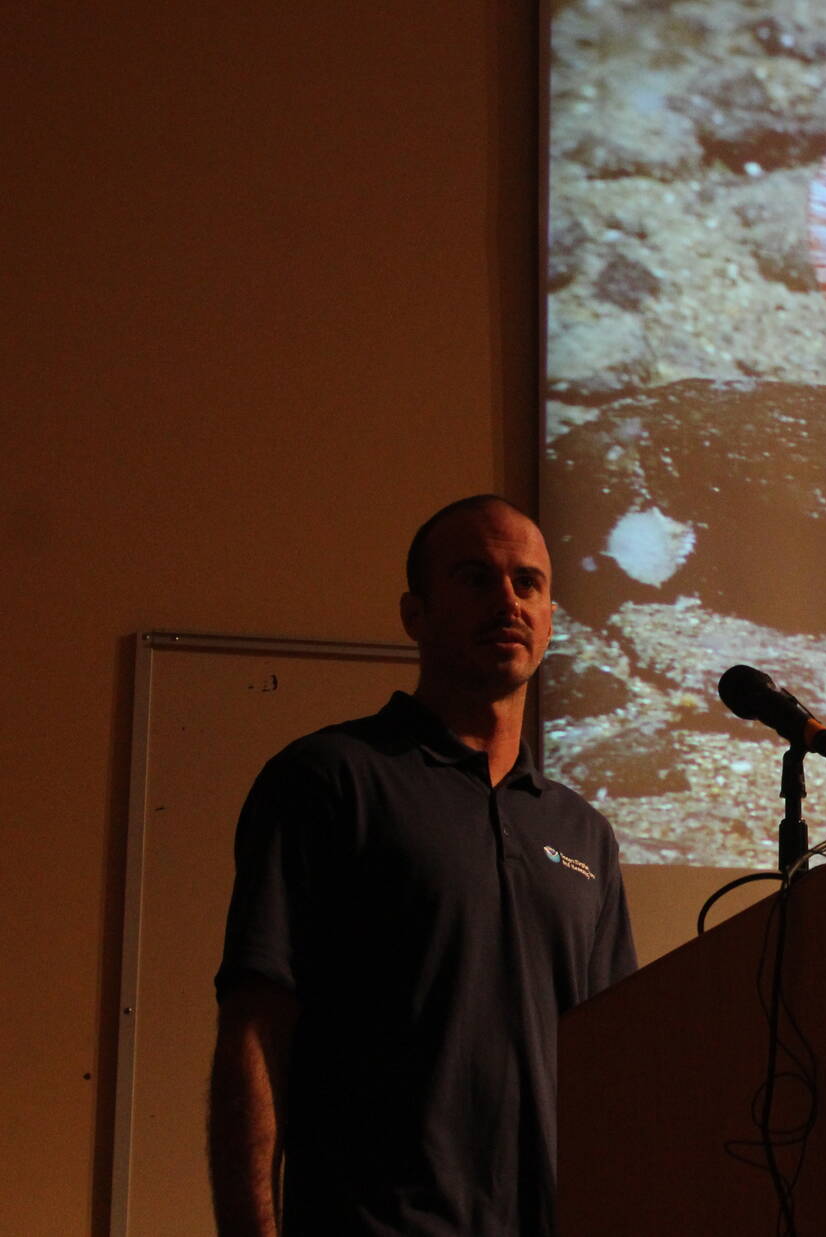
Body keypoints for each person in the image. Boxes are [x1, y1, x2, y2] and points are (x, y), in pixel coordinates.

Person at [209, 495, 637, 1237]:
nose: (508, 599)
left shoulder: (584, 832)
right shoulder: (331, 779)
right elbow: (256, 1027)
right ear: (415, 613)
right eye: (476, 578)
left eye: (527, 581)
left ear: (551, 618)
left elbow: (611, 1073)